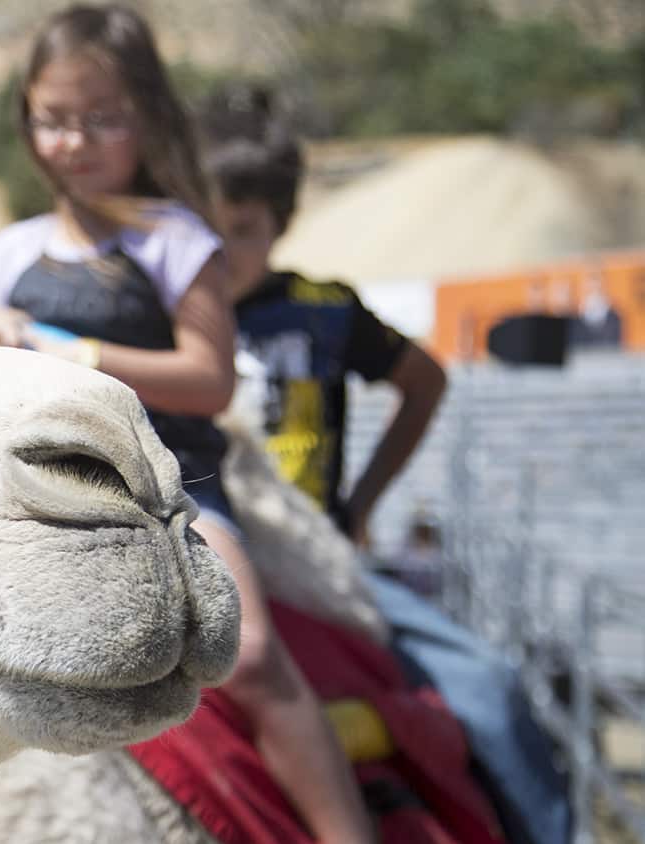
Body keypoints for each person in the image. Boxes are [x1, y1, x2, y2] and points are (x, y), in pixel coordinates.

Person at [0, 7, 377, 842]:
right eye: (52, 121)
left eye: (100, 120)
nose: (73, 143)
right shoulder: (12, 251)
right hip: (51, 477)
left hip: (174, 480)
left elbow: (209, 380)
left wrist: (65, 349)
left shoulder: (178, 241)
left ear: (146, 117)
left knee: (252, 655)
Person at [201, 83, 571, 844]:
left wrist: (364, 503)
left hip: (323, 562)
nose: (222, 250)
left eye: (242, 229)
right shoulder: (165, 323)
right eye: (205, 228)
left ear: (280, 224)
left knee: (492, 690)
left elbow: (424, 381)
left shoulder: (324, 308)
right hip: (213, 555)